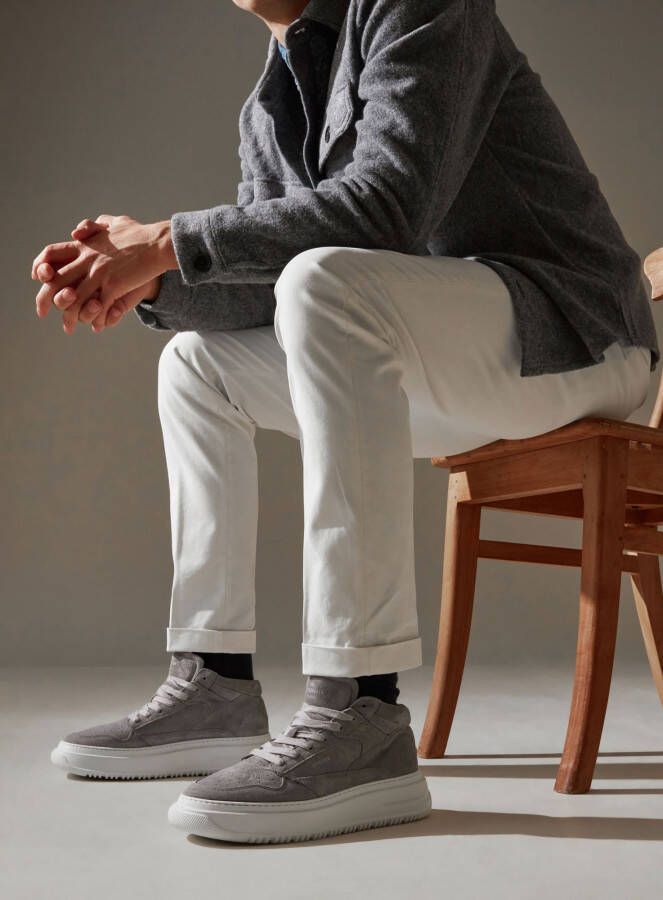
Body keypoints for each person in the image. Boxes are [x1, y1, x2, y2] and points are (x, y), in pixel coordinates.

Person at [34, 0, 658, 844]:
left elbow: (383, 209)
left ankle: (360, 710)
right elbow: (268, 287)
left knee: (325, 282)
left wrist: (166, 239)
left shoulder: (422, 9)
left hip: (576, 337)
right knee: (195, 362)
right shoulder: (268, 107)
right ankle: (214, 683)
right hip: (436, 357)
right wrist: (148, 282)